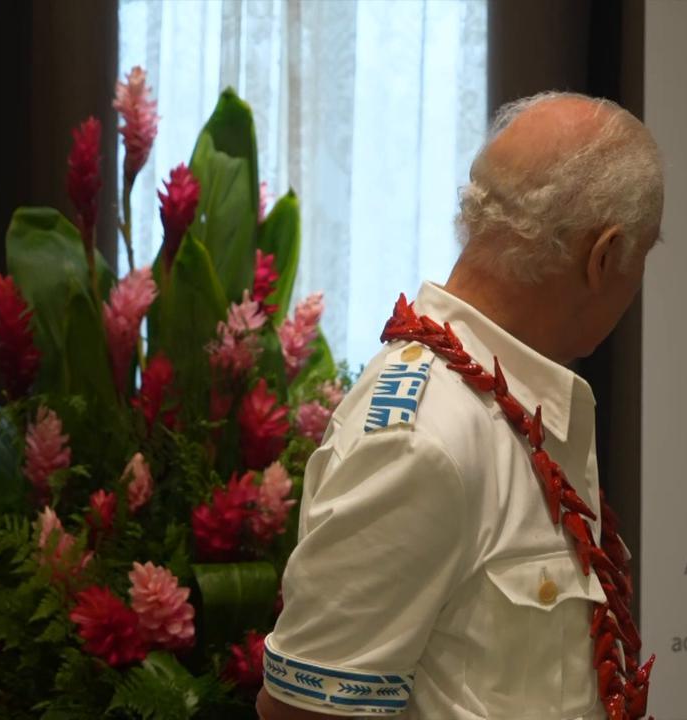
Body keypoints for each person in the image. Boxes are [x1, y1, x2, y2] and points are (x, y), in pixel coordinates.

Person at [256, 92, 663, 719]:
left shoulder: (516, 406)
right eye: (644, 256)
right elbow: (305, 712)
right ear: (604, 257)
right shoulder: (425, 436)